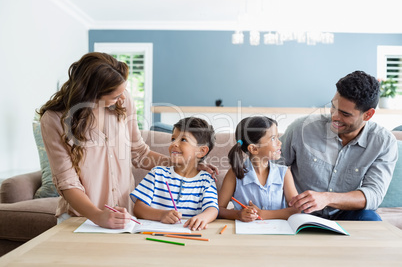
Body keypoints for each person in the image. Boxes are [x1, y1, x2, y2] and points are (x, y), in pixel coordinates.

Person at [39, 52, 216, 229]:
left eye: (123, 92)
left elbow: (139, 153)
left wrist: (185, 165)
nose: (123, 98)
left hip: (124, 216)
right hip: (81, 219)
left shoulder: (122, 102)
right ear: (92, 94)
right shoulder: (54, 120)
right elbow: (67, 182)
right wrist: (98, 216)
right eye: (116, 96)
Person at [281, 70, 398, 221]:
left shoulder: (383, 142)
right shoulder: (302, 128)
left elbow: (373, 194)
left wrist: (327, 198)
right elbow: (271, 168)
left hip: (346, 213)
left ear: (368, 114)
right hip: (300, 212)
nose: (335, 116)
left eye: (345, 114)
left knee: (371, 218)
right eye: (333, 107)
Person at [130, 117, 219, 231]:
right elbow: (138, 208)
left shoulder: (206, 180)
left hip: (189, 236)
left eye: (183, 140)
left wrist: (203, 218)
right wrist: (161, 215)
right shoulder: (157, 174)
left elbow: (212, 208)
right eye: (173, 139)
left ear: (201, 151)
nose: (174, 144)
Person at [218, 116, 299, 221]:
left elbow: (296, 209)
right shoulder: (234, 174)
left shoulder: (284, 173)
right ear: (254, 149)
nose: (280, 143)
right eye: (273, 138)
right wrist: (238, 214)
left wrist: (263, 214)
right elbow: (218, 209)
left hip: (277, 233)